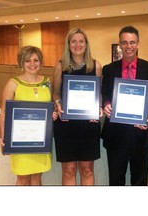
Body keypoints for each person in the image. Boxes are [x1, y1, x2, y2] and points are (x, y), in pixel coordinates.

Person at [101, 25, 148, 186]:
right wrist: (106, 104)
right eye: (125, 43)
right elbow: (104, 94)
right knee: (115, 180)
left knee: (140, 181)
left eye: (132, 42)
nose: (129, 47)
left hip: (141, 134)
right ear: (120, 45)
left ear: (138, 44)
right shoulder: (109, 69)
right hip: (116, 134)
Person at [0, 46, 57, 185]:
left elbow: (51, 106)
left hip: (40, 139)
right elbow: (4, 112)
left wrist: (52, 114)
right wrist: (4, 137)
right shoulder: (13, 83)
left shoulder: (47, 82)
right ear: (21, 62)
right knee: (23, 179)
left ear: (41, 62)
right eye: (28, 60)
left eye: (36, 60)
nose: (32, 64)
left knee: (37, 177)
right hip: (19, 139)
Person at [52, 27, 102, 186]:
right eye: (74, 41)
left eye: (81, 41)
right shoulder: (60, 66)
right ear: (68, 44)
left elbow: (98, 94)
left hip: (88, 124)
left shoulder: (96, 66)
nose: (78, 44)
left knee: (87, 169)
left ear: (86, 45)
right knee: (69, 169)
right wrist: (58, 105)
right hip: (66, 124)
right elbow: (55, 93)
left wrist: (98, 108)